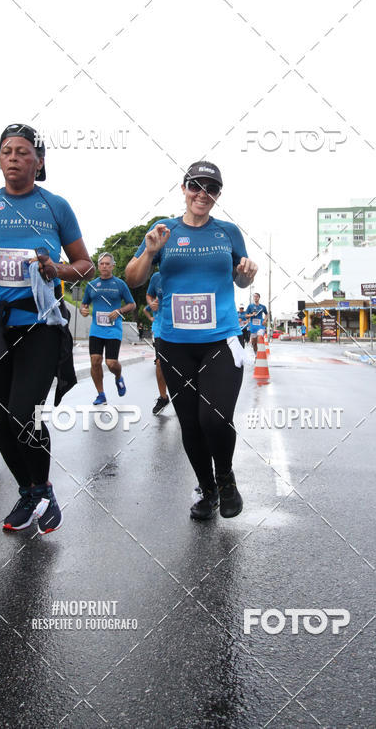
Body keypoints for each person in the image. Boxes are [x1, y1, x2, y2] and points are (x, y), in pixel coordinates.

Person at [0, 124, 94, 533]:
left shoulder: (55, 206)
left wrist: (56, 268)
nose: (13, 157)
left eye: (22, 151)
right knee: (0, 412)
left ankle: (45, 490)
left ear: (39, 161)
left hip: (39, 323)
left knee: (23, 412)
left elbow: (83, 264)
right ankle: (27, 491)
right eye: (6, 151)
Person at [126, 161, 257, 521]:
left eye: (211, 188)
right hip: (174, 342)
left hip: (221, 339)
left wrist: (245, 276)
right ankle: (208, 489)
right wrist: (150, 252)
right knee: (191, 423)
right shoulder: (162, 231)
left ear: (218, 195)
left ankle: (226, 478)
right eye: (196, 186)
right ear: (183, 188)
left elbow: (240, 280)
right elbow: (134, 279)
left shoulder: (228, 232)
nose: (202, 194)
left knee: (214, 418)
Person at [80, 253, 136, 405]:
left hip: (113, 329)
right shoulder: (92, 285)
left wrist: (119, 311)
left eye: (107, 264)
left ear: (113, 266)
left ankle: (118, 377)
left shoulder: (119, 284)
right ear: (98, 266)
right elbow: (84, 304)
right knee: (95, 361)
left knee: (111, 363)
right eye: (102, 264)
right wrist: (83, 310)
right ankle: (101, 394)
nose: (104, 266)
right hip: (96, 329)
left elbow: (132, 304)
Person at [146, 269, 170, 415]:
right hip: (161, 327)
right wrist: (151, 303)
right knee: (161, 362)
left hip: (183, 327)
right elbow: (149, 294)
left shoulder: (185, 270)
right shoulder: (156, 277)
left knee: (182, 364)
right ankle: (163, 397)